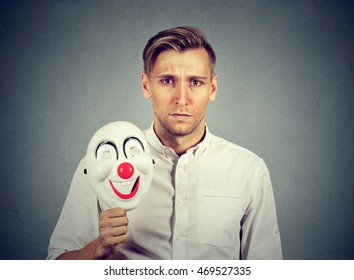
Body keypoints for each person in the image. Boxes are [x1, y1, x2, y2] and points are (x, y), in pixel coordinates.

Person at [47, 26, 283, 260]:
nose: (181, 99)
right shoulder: (100, 164)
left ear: (212, 88)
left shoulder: (249, 170)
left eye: (196, 82)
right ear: (146, 85)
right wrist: (97, 248)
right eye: (168, 80)